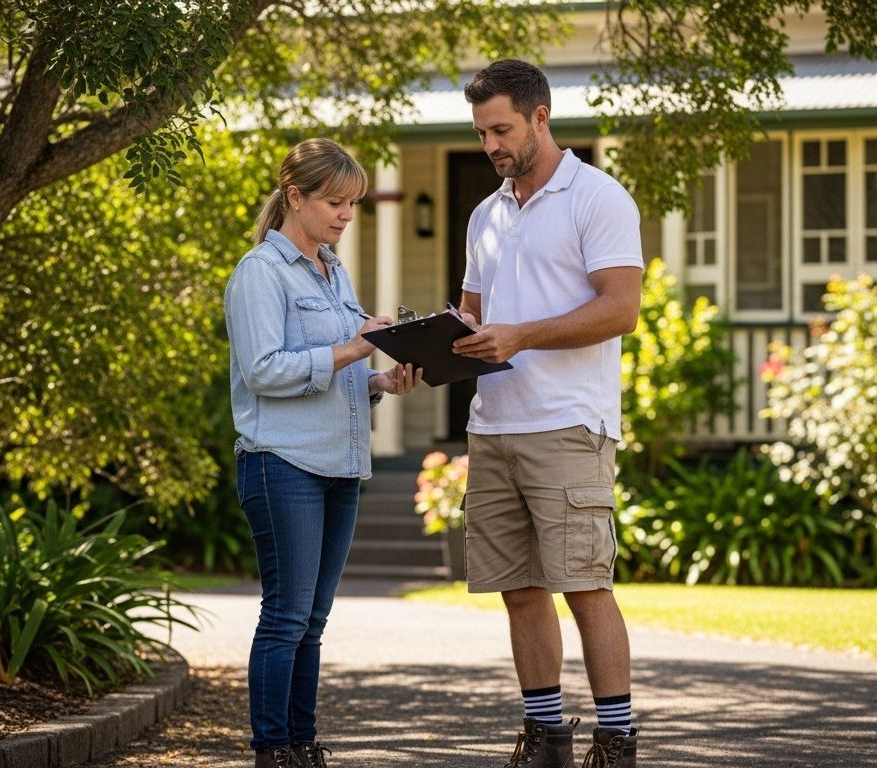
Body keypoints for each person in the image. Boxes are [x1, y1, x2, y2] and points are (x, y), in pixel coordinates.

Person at [453, 60, 644, 768]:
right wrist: (427, 349)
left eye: (500, 129)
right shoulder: (486, 214)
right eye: (480, 133)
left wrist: (523, 334)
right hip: (494, 423)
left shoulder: (597, 198)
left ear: (539, 117)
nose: (490, 145)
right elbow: (472, 317)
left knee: (585, 587)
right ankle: (546, 737)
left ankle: (617, 741)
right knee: (519, 591)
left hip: (568, 424)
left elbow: (620, 309)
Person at [224, 137, 420, 768]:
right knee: (284, 616)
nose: (344, 215)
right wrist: (355, 350)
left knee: (312, 618)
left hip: (339, 464)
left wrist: (382, 380)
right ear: (295, 196)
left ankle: (303, 745)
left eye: (353, 204)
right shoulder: (260, 272)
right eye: (334, 202)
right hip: (281, 463)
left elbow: (336, 372)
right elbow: (263, 371)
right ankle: (271, 750)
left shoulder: (334, 270)